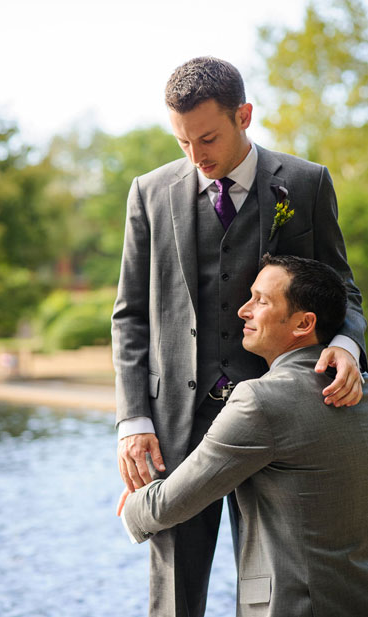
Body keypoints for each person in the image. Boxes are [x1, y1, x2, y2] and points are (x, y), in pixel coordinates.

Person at [111, 56, 367, 616]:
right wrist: (133, 420)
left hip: (281, 416)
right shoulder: (149, 193)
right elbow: (130, 316)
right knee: (174, 594)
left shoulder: (304, 183)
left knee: (276, 582)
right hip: (176, 422)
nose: (196, 157)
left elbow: (342, 290)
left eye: (207, 138)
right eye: (182, 143)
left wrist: (347, 346)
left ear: (244, 115)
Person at [118, 254, 368, 617]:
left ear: (303, 323)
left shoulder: (262, 400)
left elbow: (173, 502)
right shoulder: (360, 392)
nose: (243, 310)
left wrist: (133, 505)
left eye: (261, 300)